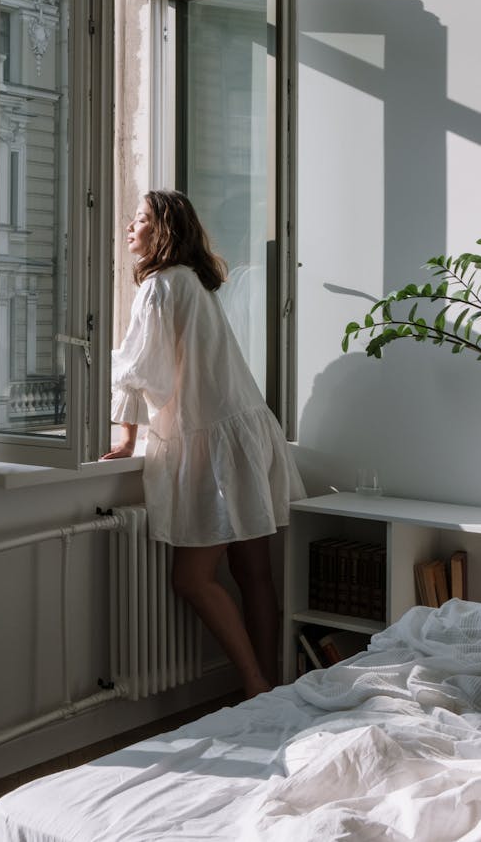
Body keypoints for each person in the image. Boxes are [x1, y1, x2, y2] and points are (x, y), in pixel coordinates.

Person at [102, 189, 306, 698]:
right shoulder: (196, 283)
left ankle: (256, 686)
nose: (131, 226)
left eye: (142, 219)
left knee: (192, 580)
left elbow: (136, 368)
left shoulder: (161, 286)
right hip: (247, 431)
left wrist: (125, 435)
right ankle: (274, 686)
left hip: (216, 441)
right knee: (254, 572)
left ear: (164, 230)